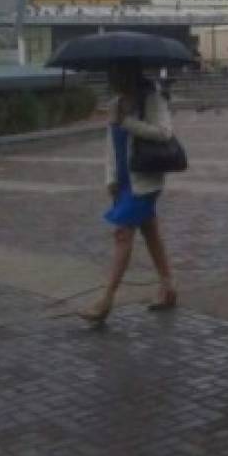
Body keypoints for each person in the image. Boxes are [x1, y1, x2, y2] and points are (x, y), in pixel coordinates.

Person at [79, 60, 178, 325]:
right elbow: (110, 145)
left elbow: (165, 133)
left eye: (117, 73)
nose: (113, 79)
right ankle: (168, 286)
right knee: (150, 230)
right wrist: (110, 177)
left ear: (129, 73)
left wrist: (128, 122)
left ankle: (106, 300)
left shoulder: (152, 99)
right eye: (110, 74)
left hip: (145, 179)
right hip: (124, 181)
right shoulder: (115, 104)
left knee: (123, 234)